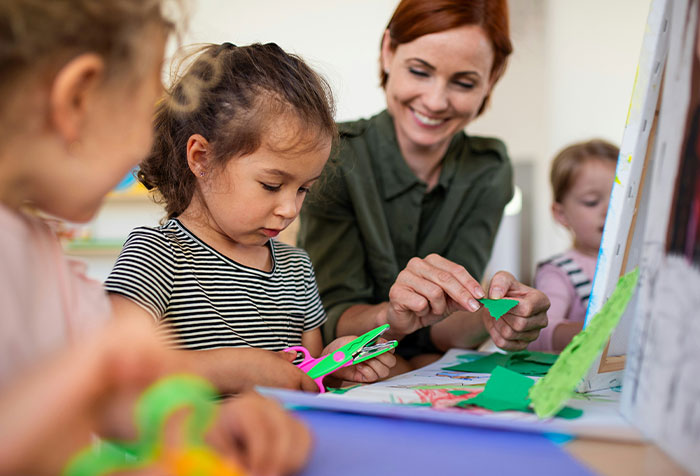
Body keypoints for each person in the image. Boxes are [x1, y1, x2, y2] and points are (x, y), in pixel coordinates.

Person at [0, 2, 310, 474]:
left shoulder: (41, 255)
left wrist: (202, 424)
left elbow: (121, 403)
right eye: (143, 107)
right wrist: (89, 368)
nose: (147, 145)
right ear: (78, 99)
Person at [105, 42, 396, 391]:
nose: (290, 209)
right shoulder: (156, 254)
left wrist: (329, 368)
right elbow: (115, 364)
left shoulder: (297, 269)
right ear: (201, 158)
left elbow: (306, 383)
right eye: (271, 185)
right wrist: (233, 368)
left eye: (304, 189)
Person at [298, 0, 549, 370]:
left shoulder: (489, 169)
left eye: (464, 82)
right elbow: (327, 320)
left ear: (491, 79)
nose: (435, 101)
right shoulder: (333, 158)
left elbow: (441, 328)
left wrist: (494, 317)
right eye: (419, 71)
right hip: (350, 367)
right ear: (387, 52)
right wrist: (393, 315)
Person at [529, 139, 618, 352]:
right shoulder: (559, 271)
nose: (611, 210)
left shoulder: (645, 262)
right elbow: (538, 335)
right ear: (561, 214)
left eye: (621, 198)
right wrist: (602, 331)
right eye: (591, 201)